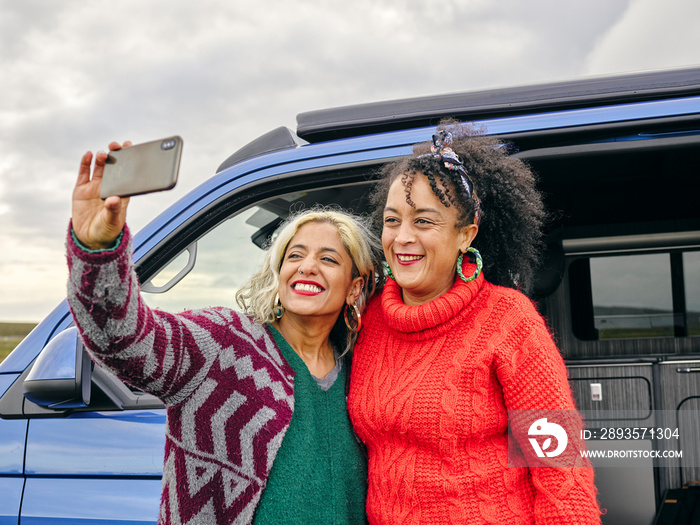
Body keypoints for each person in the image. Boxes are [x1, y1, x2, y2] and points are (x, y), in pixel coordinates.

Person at [67, 141, 383, 524]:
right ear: (279, 272)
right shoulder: (224, 344)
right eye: (294, 255)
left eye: (328, 259)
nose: (307, 267)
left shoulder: (365, 371)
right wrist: (96, 250)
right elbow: (126, 340)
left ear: (354, 287)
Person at [348, 125, 602, 524]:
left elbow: (560, 467)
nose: (401, 238)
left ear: (465, 235)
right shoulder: (368, 320)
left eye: (424, 222)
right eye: (392, 220)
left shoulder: (508, 320)